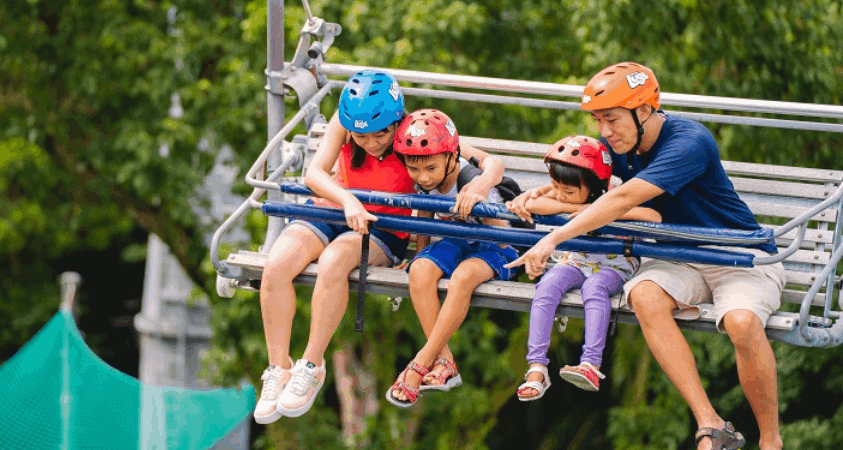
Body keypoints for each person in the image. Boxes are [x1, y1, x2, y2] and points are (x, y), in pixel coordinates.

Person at [506, 62, 786, 450]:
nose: (604, 132)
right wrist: (540, 193)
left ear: (643, 111)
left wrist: (554, 237)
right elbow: (584, 181)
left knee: (740, 322)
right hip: (677, 255)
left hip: (738, 252)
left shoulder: (688, 141)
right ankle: (710, 423)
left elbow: (621, 198)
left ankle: (770, 441)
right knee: (644, 296)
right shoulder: (617, 146)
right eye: (598, 121)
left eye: (612, 120)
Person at [254, 71, 504, 424]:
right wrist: (347, 201)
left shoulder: (414, 133)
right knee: (276, 265)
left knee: (334, 261)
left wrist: (480, 187)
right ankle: (278, 367)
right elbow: (314, 174)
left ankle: (311, 365)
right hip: (337, 208)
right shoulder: (344, 125)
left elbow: (490, 163)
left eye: (380, 133)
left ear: (396, 120)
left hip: (382, 229)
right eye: (361, 135)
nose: (371, 143)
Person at [509, 135, 660, 401]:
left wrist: (601, 210)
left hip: (616, 263)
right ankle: (536, 367)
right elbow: (533, 205)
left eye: (567, 191)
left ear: (594, 186)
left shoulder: (617, 191)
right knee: (546, 285)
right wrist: (571, 202)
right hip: (577, 259)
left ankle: (590, 363)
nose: (559, 194)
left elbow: (652, 215)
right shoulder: (565, 188)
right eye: (555, 186)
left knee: (594, 288)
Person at [385, 109, 511, 407]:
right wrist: (418, 255)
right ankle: (445, 362)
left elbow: (504, 234)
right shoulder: (423, 177)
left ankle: (421, 361)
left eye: (431, 168)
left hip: (493, 245)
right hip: (455, 240)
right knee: (419, 271)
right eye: (415, 170)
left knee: (463, 277)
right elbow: (425, 215)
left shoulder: (468, 175)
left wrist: (479, 193)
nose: (423, 177)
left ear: (451, 159)